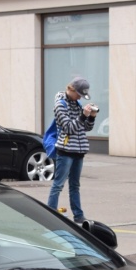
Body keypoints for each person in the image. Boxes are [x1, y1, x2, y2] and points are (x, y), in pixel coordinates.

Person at [47, 76, 97, 222]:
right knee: (58, 184)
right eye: (79, 94)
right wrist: (83, 116)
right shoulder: (60, 105)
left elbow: (85, 128)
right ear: (71, 89)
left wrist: (91, 117)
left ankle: (78, 216)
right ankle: (50, 215)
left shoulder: (77, 104)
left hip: (79, 151)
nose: (79, 97)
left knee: (75, 185)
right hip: (66, 150)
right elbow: (68, 128)